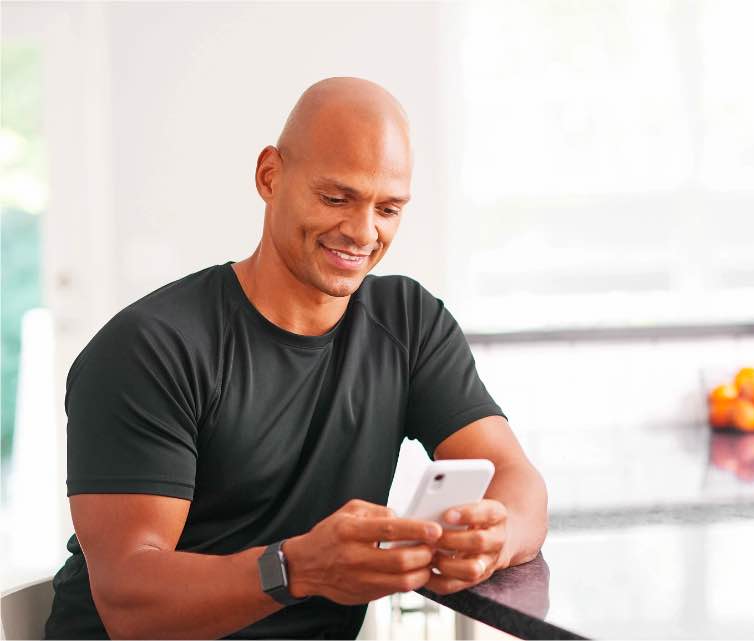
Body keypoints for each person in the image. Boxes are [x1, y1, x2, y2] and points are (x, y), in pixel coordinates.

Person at [44, 77, 548, 639]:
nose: (362, 232)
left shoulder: (409, 323)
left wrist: (493, 537)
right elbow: (128, 604)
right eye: (336, 198)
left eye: (388, 208)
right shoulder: (151, 348)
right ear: (269, 176)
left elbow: (515, 476)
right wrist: (297, 568)